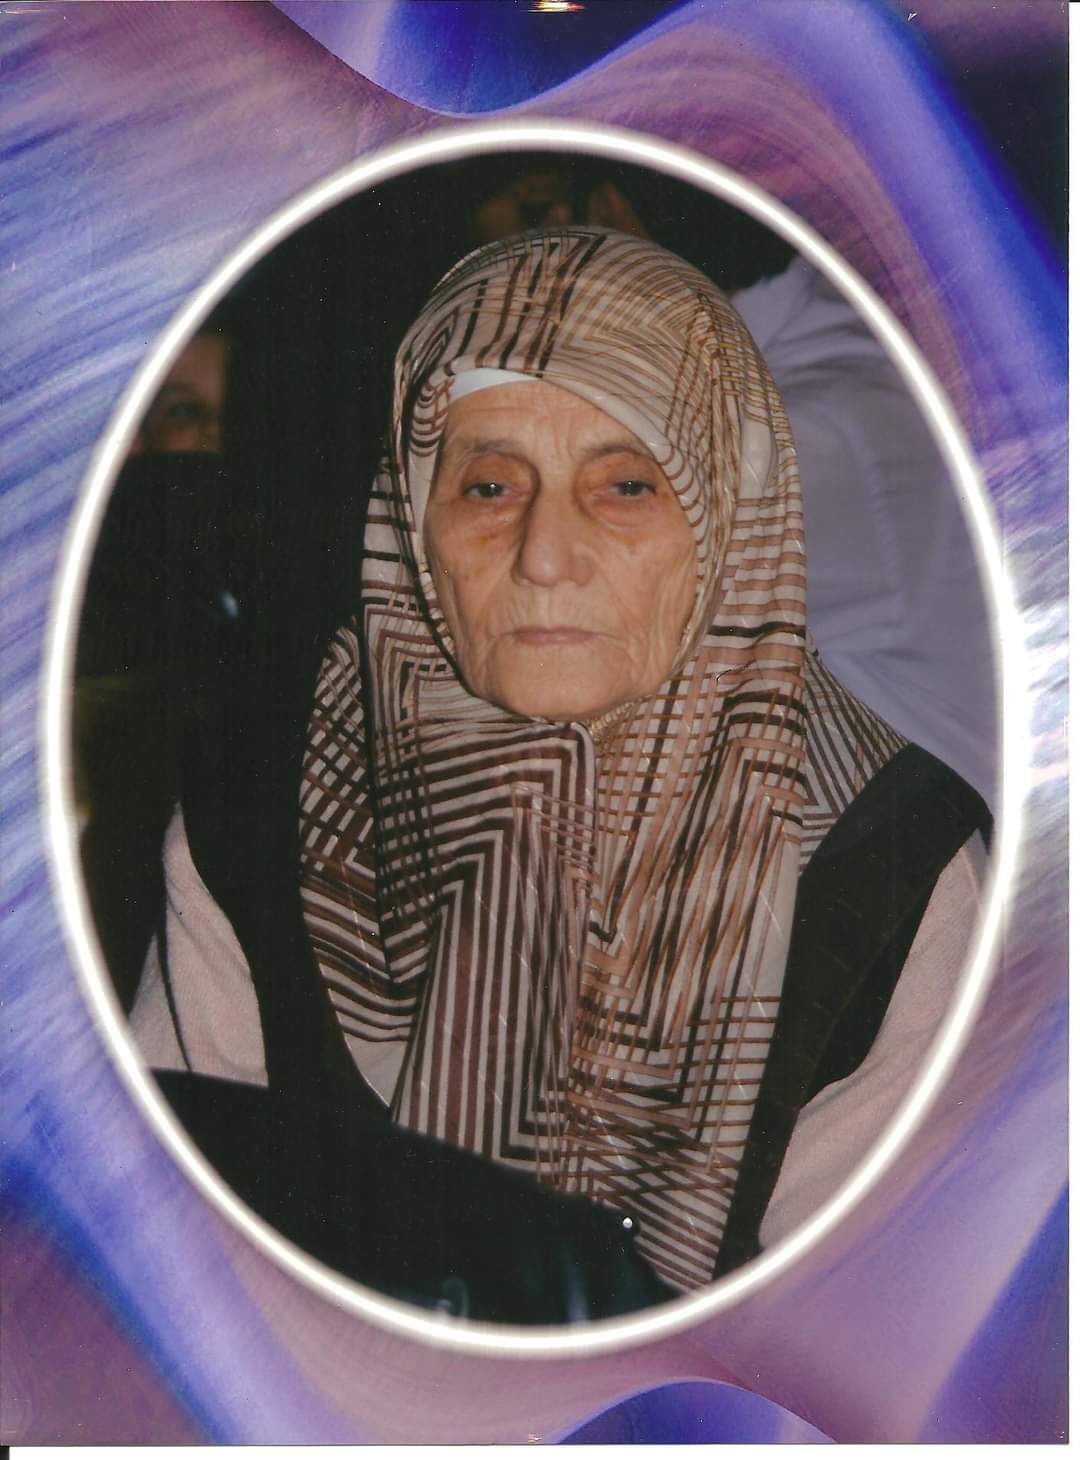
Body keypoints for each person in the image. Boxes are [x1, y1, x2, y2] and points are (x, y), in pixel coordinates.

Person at [132, 228, 989, 1304]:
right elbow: (168, 1244)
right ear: (413, 514)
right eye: (489, 485)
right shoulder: (263, 796)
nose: (543, 553)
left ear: (732, 514)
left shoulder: (887, 866)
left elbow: (861, 1333)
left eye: (626, 485)